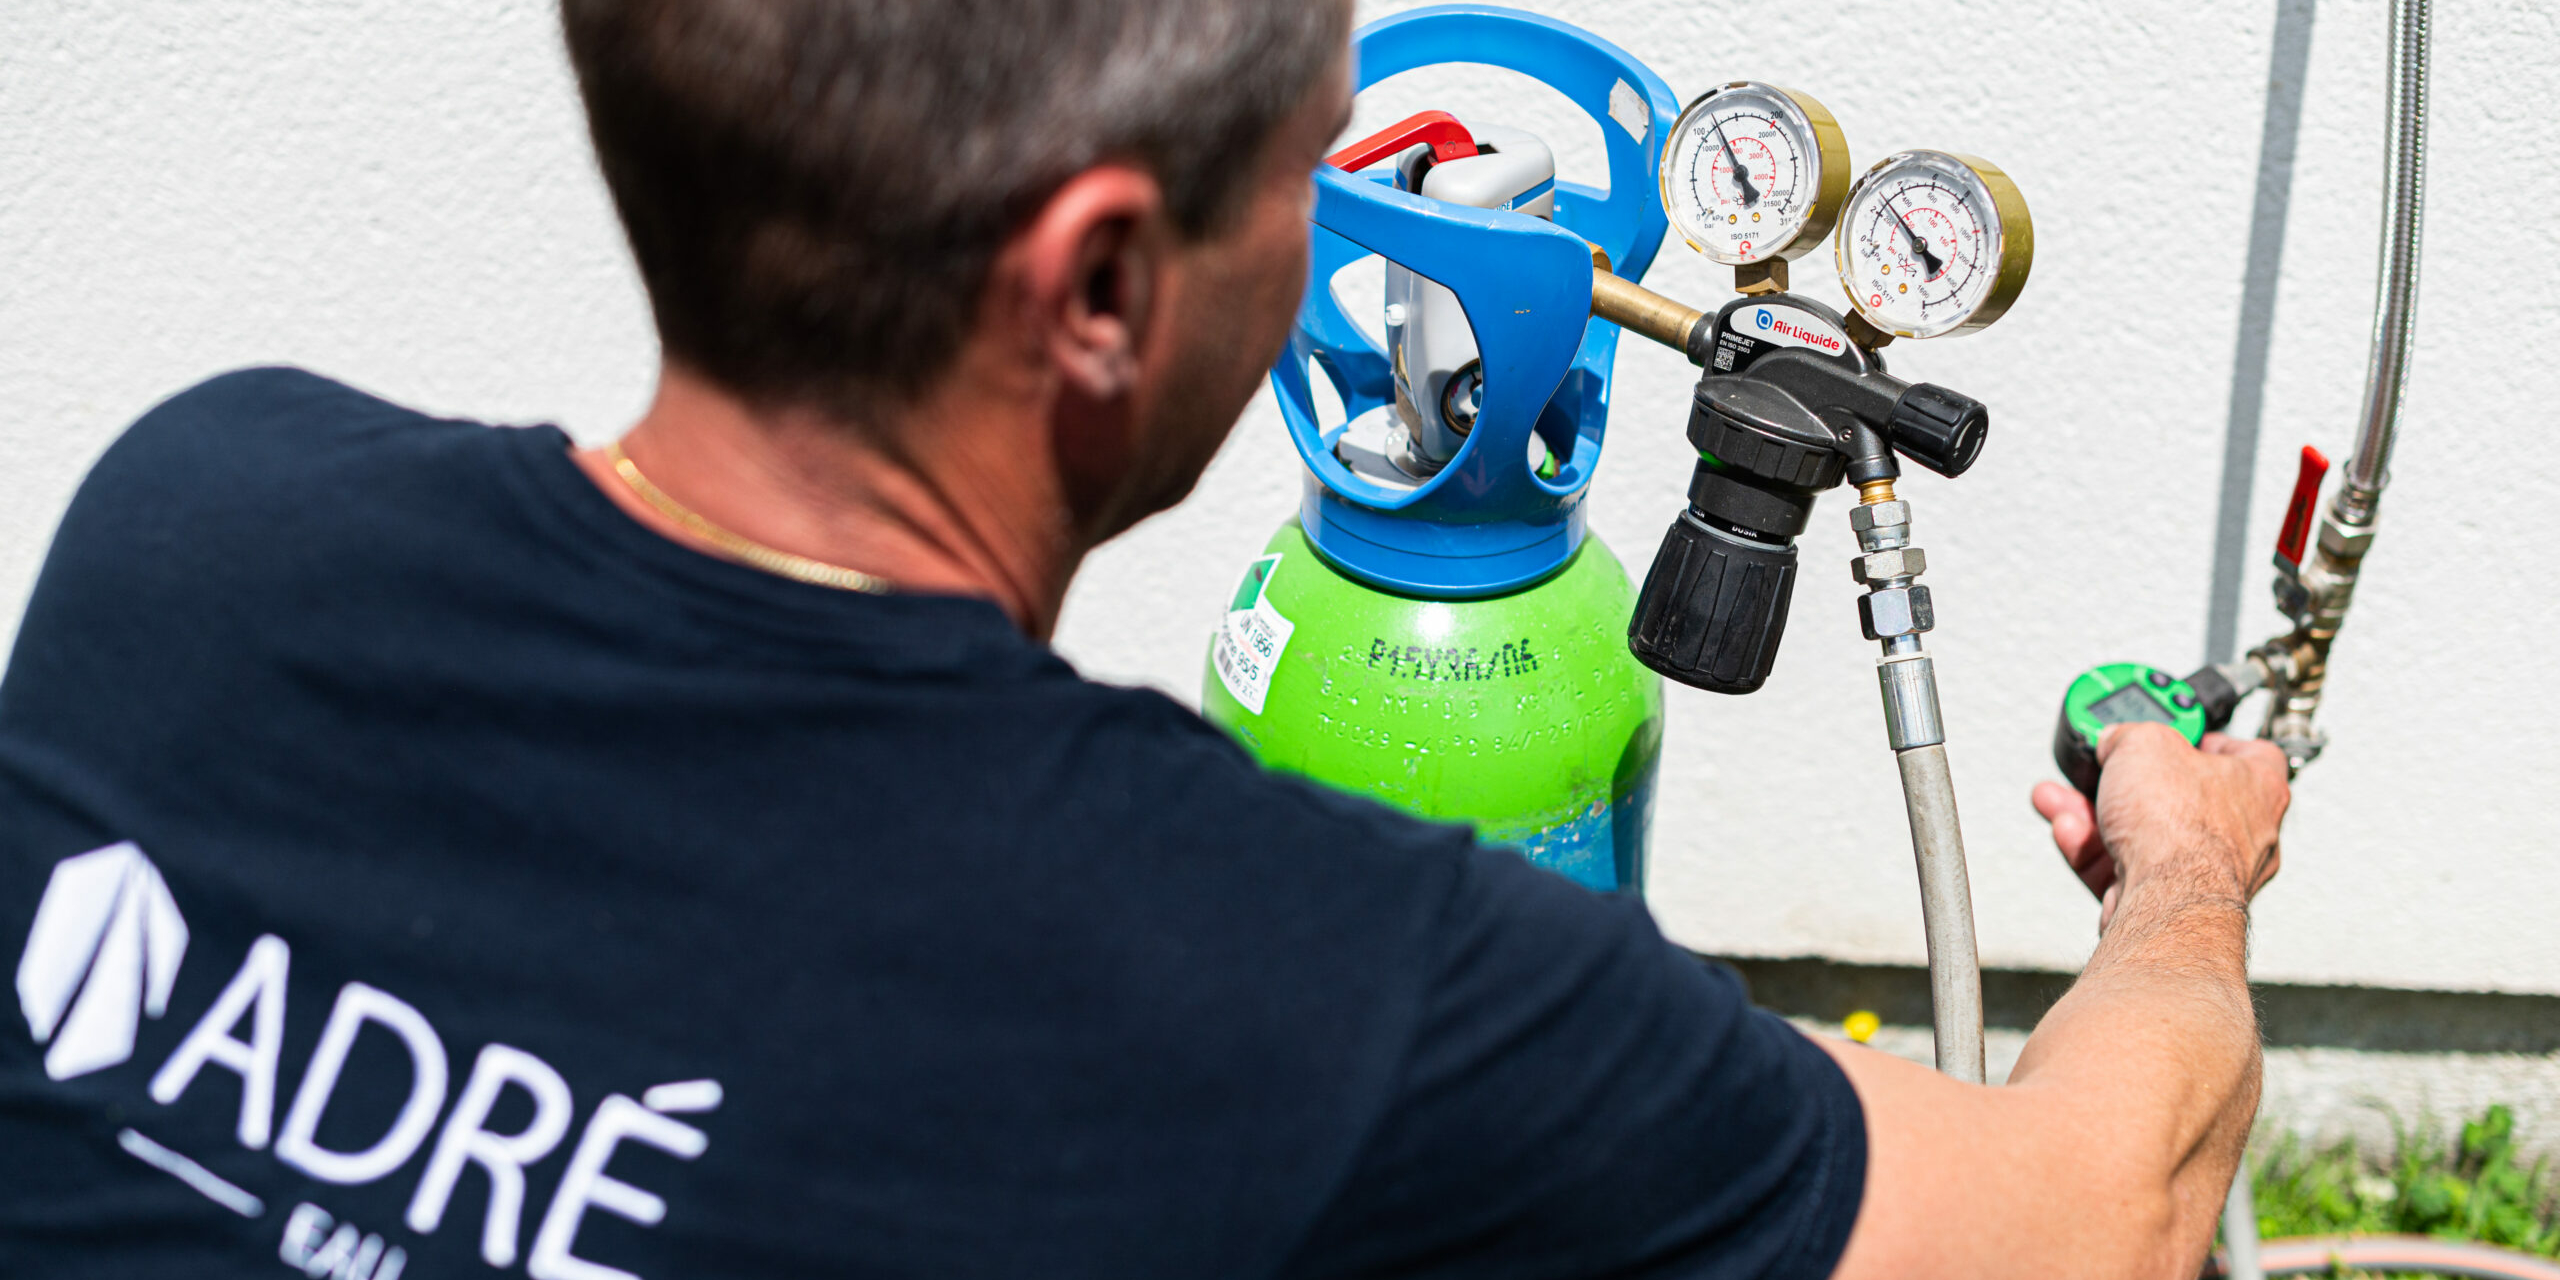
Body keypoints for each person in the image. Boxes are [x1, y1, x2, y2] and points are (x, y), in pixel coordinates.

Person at [0, 1, 2289, 1277]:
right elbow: (2102, 1209)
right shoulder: (1280, 974)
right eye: (1311, 167)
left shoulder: (193, 522)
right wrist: (2182, 870)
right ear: (1100, 291)